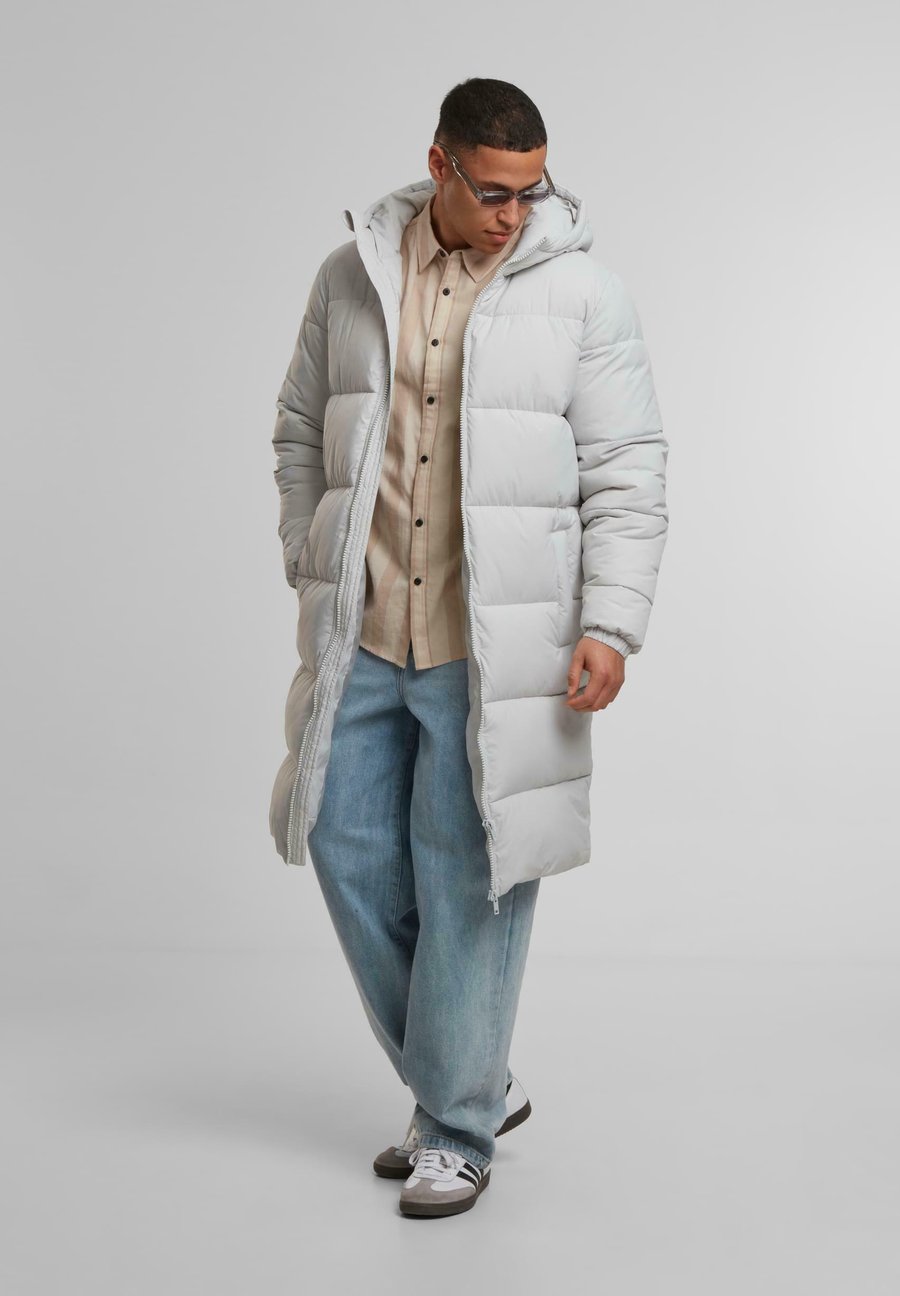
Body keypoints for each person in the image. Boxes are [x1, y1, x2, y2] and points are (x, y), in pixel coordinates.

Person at [269, 77, 669, 1218]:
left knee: (470, 876)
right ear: (440, 164)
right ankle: (475, 1075)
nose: (514, 213)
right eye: (494, 191)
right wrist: (309, 546)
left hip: (496, 647)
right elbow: (299, 426)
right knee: (342, 844)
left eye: (531, 190)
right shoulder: (351, 275)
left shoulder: (582, 294)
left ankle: (455, 1126)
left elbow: (629, 466)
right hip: (363, 632)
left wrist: (610, 623)